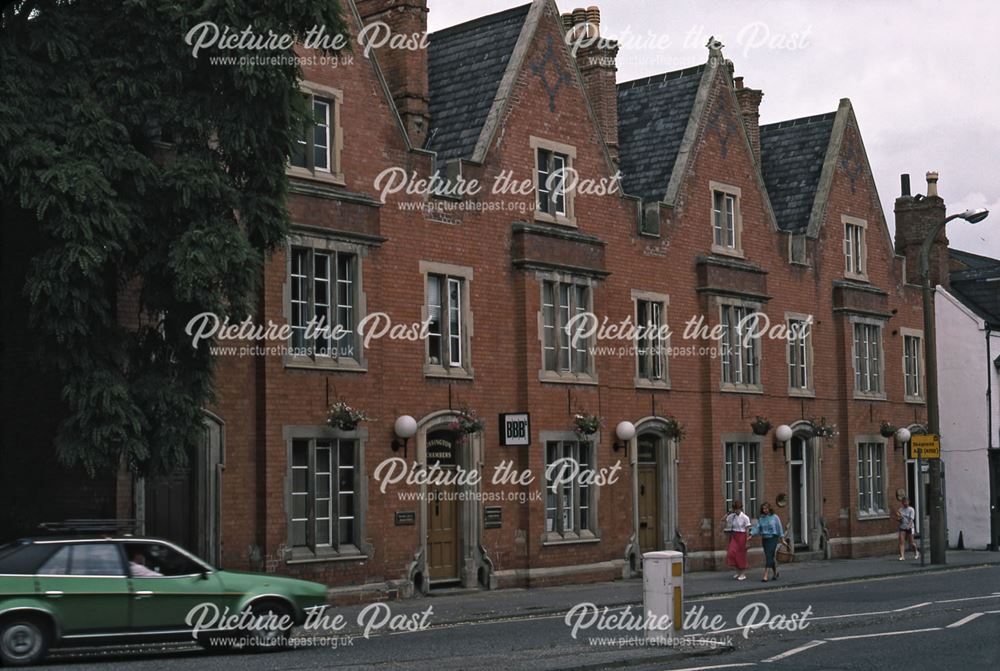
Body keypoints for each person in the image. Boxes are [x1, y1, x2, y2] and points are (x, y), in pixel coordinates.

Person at [750, 502, 784, 582]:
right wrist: (751, 534)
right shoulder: (761, 518)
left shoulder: (775, 517)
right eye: (763, 509)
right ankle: (775, 572)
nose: (765, 510)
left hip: (773, 538)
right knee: (770, 557)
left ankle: (765, 575)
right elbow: (757, 528)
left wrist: (782, 538)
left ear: (769, 508)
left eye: (766, 508)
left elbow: (779, 527)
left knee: (769, 556)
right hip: (765, 539)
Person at [724, 500, 752, 580]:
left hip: (742, 536)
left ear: (740, 508)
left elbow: (747, 529)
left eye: (737, 509)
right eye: (734, 509)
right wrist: (728, 513)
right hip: (734, 535)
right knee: (731, 553)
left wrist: (747, 541)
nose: (736, 511)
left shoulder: (745, 517)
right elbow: (723, 519)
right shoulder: (732, 516)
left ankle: (742, 573)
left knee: (741, 555)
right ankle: (737, 571)